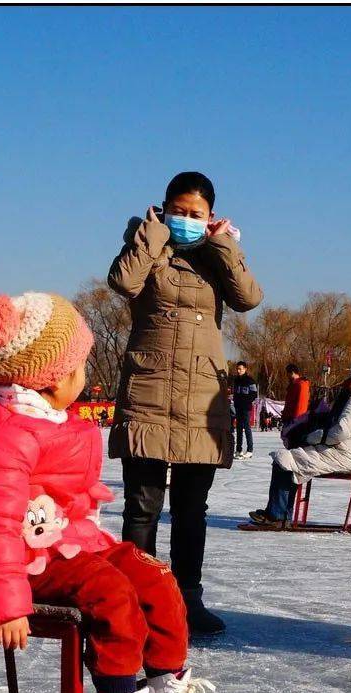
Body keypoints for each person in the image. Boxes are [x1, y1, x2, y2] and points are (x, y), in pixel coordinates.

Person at [0, 291, 233, 693]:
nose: (85, 375)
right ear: (54, 377)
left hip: (72, 542)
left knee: (153, 576)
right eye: (80, 364)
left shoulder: (46, 418)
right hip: (24, 562)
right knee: (110, 594)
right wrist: (6, 603)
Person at [106, 171, 263, 635]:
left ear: (211, 217)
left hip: (201, 399)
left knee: (193, 509)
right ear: (163, 208)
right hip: (150, 393)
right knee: (142, 505)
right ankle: (136, 597)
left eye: (196, 215)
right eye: (178, 211)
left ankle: (187, 599)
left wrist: (222, 245)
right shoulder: (147, 245)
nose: (186, 220)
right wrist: (152, 233)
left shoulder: (218, 256)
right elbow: (123, 282)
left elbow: (249, 298)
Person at [248, 350, 351, 525]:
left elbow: (341, 430)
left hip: (342, 454)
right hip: (342, 450)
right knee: (289, 457)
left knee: (284, 460)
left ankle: (277, 515)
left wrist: (313, 438)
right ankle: (280, 513)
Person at [232, 360, 258, 459]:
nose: (239, 371)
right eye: (237, 369)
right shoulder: (236, 380)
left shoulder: (250, 380)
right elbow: (235, 393)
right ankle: (238, 450)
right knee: (238, 428)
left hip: (246, 407)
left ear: (245, 369)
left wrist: (247, 401)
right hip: (238, 406)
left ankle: (250, 450)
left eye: (241, 369)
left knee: (247, 427)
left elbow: (254, 393)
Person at [281, 363, 311, 434]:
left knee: (293, 441)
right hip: (291, 417)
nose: (286, 376)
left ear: (292, 372)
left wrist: (296, 419)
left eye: (287, 373)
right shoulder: (295, 384)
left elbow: (301, 403)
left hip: (295, 419)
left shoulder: (301, 385)